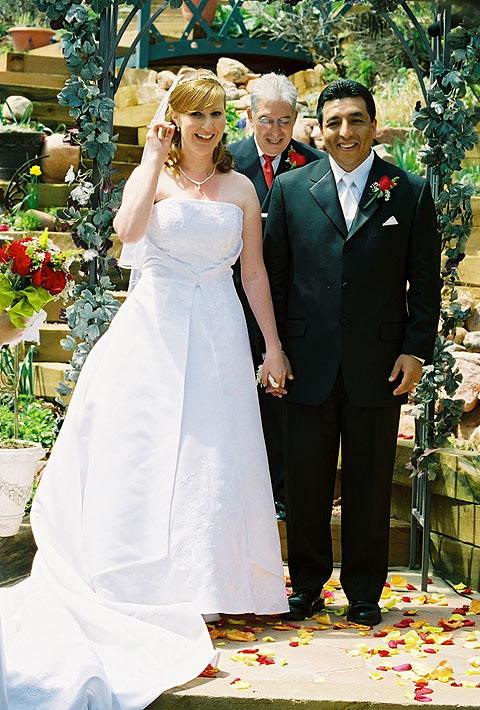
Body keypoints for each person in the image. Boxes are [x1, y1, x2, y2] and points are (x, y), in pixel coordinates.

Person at [0, 70, 290, 710]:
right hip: (155, 327)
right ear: (175, 119)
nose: (207, 126)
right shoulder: (152, 174)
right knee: (149, 451)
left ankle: (214, 585)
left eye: (216, 115)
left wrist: (271, 344)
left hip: (218, 329)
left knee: (213, 456)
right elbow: (128, 233)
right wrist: (153, 155)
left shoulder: (242, 188)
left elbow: (253, 272)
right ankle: (143, 582)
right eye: (195, 115)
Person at [264, 79, 441, 625]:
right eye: (334, 122)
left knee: (369, 483)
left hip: (379, 364)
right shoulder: (290, 189)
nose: (345, 132)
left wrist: (415, 351)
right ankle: (306, 585)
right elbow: (274, 277)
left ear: (374, 125)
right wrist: (274, 350)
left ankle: (365, 591)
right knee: (305, 483)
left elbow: (425, 282)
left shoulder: (409, 191)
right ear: (319, 129)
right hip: (305, 361)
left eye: (356, 120)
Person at [229, 73, 325, 522]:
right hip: (233, 297)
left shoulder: (316, 165)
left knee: (282, 397)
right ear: (250, 117)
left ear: (297, 119)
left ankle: (281, 491)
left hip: (294, 302)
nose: (275, 131)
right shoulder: (226, 161)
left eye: (285, 121)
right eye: (266, 120)